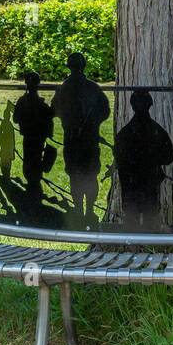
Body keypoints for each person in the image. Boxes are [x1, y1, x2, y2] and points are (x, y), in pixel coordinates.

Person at [52, 52, 110, 225]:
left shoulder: (63, 88)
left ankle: (79, 209)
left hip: (73, 139)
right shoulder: (93, 88)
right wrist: (92, 124)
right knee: (90, 175)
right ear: (84, 65)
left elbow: (54, 109)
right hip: (89, 140)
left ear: (69, 66)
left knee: (75, 176)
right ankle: (89, 211)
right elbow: (104, 111)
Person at [114, 89, 173, 230]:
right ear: (150, 104)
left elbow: (119, 160)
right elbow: (168, 157)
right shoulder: (158, 131)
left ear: (132, 105)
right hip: (148, 184)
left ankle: (133, 248)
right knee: (149, 220)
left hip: (132, 186)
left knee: (132, 221)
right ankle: (149, 246)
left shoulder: (124, 134)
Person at [12, 71, 54, 182]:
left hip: (28, 136)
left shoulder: (22, 101)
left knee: (29, 159)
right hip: (39, 137)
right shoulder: (41, 104)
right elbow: (50, 115)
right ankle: (35, 179)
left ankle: (31, 180)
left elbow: (15, 119)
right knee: (36, 158)